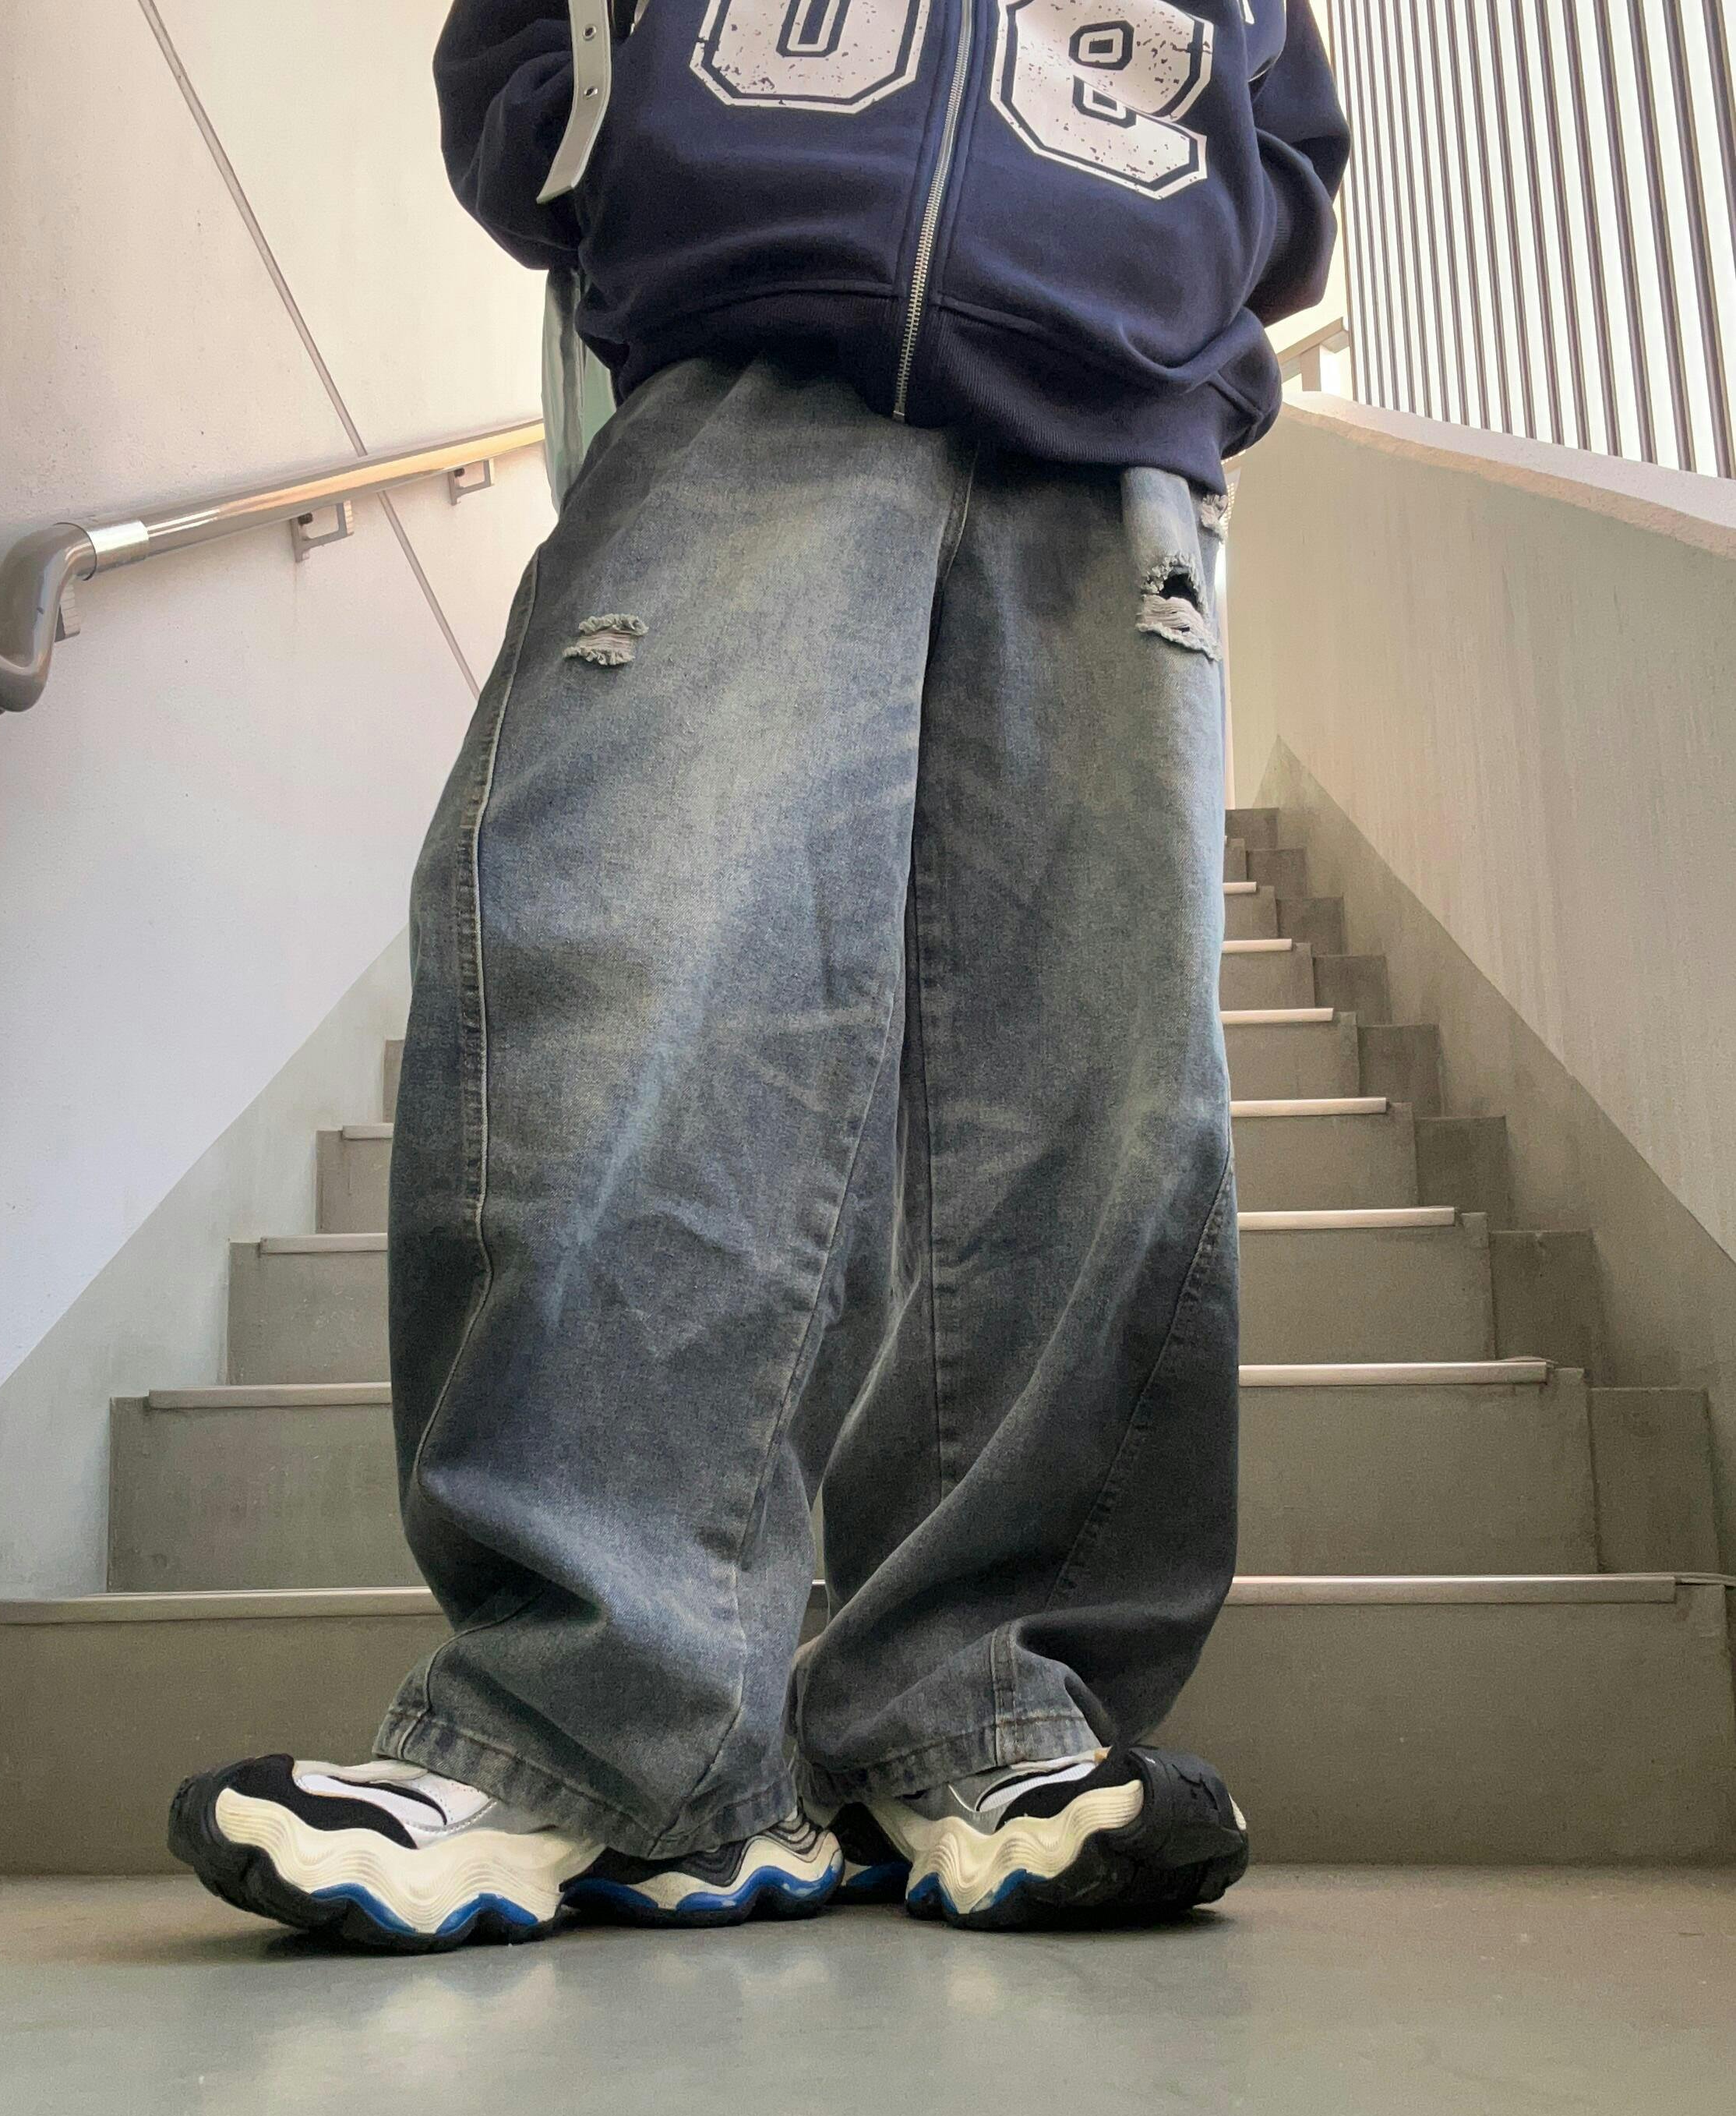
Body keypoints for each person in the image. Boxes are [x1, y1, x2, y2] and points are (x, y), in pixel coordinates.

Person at [168, 0, 1348, 1948]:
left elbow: (1286, 141)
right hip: (748, 359)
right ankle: (587, 1725)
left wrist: (1164, 278)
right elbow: (531, 51)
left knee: (1094, 1070)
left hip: (1115, 437)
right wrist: (666, 190)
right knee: (622, 957)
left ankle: (985, 1710)